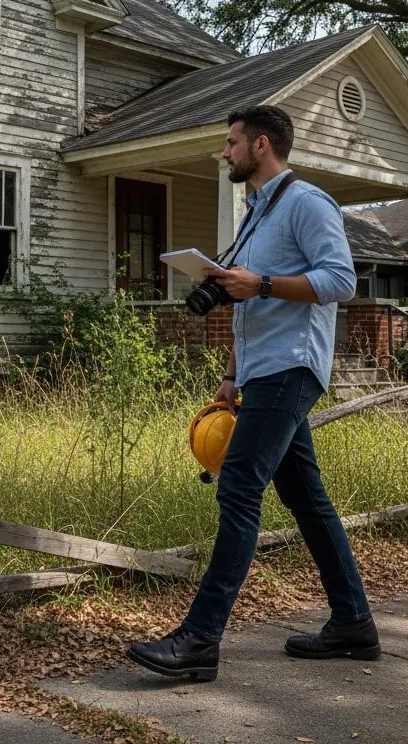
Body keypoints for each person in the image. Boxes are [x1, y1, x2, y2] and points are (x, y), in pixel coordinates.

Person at [127, 104, 379, 683]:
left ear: (261, 145)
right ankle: (354, 623)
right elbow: (248, 305)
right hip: (261, 371)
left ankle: (199, 639)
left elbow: (340, 280)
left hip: (292, 368)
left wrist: (260, 281)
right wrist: (233, 372)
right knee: (306, 499)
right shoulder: (256, 213)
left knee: (239, 488)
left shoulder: (306, 203)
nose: (225, 152)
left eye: (232, 142)